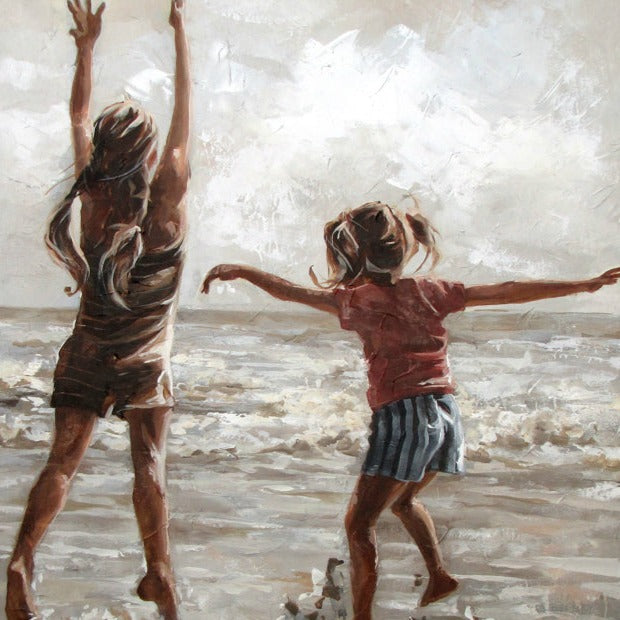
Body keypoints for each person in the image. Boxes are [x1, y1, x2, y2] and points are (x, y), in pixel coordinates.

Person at [201, 200, 620, 620]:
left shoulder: (357, 301)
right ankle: (438, 575)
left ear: (354, 253)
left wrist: (244, 271)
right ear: (401, 248)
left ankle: (363, 617)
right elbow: (507, 291)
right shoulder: (432, 291)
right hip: (445, 414)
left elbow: (290, 292)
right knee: (403, 502)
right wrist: (585, 285)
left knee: (359, 524)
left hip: (404, 418)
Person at [5, 1, 190, 618]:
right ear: (150, 154)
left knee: (62, 463)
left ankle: (22, 560)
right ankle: (159, 574)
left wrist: (85, 50)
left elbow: (78, 114)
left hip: (87, 351)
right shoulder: (168, 203)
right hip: (144, 363)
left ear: (104, 155)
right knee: (150, 467)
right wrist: (180, 34)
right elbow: (185, 116)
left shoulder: (92, 200)